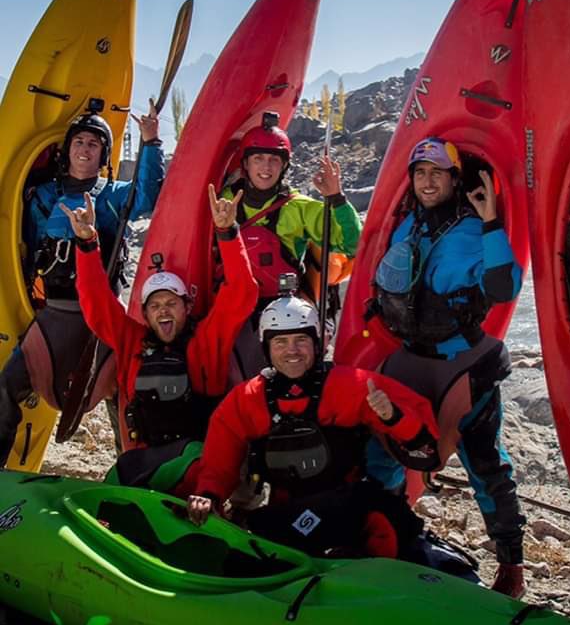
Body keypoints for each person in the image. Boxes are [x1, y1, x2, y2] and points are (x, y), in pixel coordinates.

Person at [366, 137, 526, 597]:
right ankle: (388, 538)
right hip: (411, 357)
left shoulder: (475, 228)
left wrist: (492, 219)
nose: (428, 181)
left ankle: (511, 566)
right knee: (381, 453)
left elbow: (503, 287)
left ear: (456, 179)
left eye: (438, 172)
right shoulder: (409, 224)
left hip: (461, 361)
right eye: (420, 173)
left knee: (485, 464)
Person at [187, 291, 440, 560]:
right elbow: (219, 459)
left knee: (392, 525)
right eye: (280, 342)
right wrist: (208, 495)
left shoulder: (349, 385)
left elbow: (424, 444)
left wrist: (393, 417)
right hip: (290, 512)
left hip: (348, 506)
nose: (291, 351)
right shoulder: (247, 399)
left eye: (301, 340)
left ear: (317, 344)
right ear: (266, 349)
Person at [62, 184, 258, 496]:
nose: (163, 311)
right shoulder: (132, 340)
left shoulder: (207, 339)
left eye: (171, 304)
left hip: (200, 462)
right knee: (114, 483)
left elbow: (242, 293)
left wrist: (228, 233)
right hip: (143, 460)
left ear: (187, 307)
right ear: (145, 313)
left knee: (194, 462)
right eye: (155, 306)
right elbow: (97, 303)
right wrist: (87, 243)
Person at [0, 107, 164, 468]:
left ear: (104, 155)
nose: (85, 149)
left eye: (94, 144)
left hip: (102, 320)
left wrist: (151, 142)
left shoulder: (113, 195)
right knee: (8, 383)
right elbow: (22, 246)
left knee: (127, 396)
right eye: (79, 141)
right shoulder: (42, 197)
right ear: (68, 149)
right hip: (55, 315)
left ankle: (135, 472)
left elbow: (149, 198)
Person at [221, 111, 361, 378]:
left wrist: (337, 198)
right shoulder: (225, 201)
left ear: (284, 166)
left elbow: (353, 242)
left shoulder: (296, 207)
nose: (266, 167)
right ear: (246, 164)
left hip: (284, 309)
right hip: (235, 307)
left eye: (274, 160)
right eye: (258, 159)